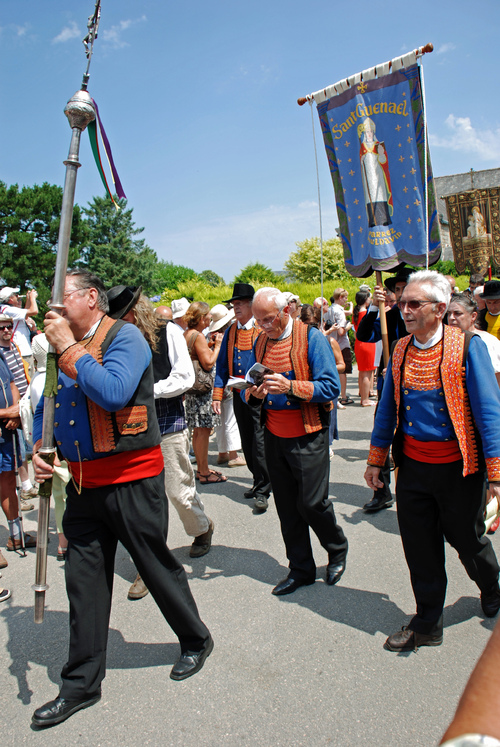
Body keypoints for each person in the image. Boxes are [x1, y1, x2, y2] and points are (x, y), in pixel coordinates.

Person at [31, 269, 212, 728]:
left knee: (154, 565)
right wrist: (40, 447)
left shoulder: (125, 338)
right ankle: (81, 684)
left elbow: (111, 393)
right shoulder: (63, 345)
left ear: (91, 298)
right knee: (84, 583)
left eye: (64, 297)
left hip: (131, 480)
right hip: (82, 485)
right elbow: (47, 402)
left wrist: (66, 348)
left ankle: (195, 639)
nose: (56, 307)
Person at [364, 270, 500, 653]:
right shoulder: (403, 348)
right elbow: (387, 408)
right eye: (401, 303)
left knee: (467, 540)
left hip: (459, 470)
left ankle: (491, 586)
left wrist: (496, 474)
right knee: (419, 546)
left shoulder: (468, 346)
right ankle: (428, 622)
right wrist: (377, 460)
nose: (403, 310)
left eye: (413, 304)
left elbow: (489, 413)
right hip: (413, 469)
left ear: (440, 309)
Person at [107, 287, 216, 601]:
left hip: (166, 421)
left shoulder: (167, 331)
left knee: (176, 490)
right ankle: (148, 566)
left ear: (136, 310)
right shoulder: (115, 337)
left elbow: (184, 378)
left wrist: (143, 391)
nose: (116, 322)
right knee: (141, 500)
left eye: (121, 315)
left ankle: (201, 527)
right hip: (128, 426)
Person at [246, 287, 348, 595]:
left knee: (312, 503)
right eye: (257, 320)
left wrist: (290, 386)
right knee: (288, 508)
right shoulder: (261, 340)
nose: (261, 326)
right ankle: (300, 568)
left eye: (266, 319)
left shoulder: (311, 338)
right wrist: (254, 392)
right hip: (275, 436)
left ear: (285, 312)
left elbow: (331, 387)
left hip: (308, 434)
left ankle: (337, 547)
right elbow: (250, 383)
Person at [356, 267, 411, 512]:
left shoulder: (427, 317)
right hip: (389, 386)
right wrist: (376, 309)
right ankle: (382, 492)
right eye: (396, 290)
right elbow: (365, 335)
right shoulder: (391, 316)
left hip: (417, 387)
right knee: (382, 435)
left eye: (403, 288)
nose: (399, 294)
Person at [212, 283, 271, 511]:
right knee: (247, 440)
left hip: (257, 393)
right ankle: (258, 481)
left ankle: (263, 488)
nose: (235, 308)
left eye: (239, 304)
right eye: (233, 304)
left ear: (250, 305)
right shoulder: (231, 331)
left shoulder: (261, 329)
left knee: (259, 441)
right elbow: (222, 365)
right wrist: (218, 394)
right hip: (238, 392)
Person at [184, 301, 226, 485]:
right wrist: (217, 345)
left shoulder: (187, 334)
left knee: (198, 431)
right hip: (203, 390)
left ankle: (202, 469)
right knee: (203, 430)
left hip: (192, 390)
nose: (210, 318)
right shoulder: (198, 335)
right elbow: (208, 363)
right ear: (201, 318)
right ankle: (203, 471)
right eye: (208, 316)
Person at [0, 314, 39, 507]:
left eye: (8, 327)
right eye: (2, 328)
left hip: (22, 404)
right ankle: (22, 490)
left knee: (21, 450)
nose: (6, 331)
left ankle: (24, 486)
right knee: (15, 454)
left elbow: (16, 380)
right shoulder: (1, 352)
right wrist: (11, 412)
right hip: (10, 412)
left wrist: (18, 409)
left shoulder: (13, 347)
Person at [209, 304, 245, 468]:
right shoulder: (229, 335)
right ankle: (233, 455)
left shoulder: (211, 336)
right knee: (231, 419)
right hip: (226, 379)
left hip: (214, 380)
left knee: (221, 419)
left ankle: (222, 452)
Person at [358, 117, 393, 227]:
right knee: (370, 198)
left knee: (380, 195)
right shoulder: (362, 147)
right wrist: (362, 159)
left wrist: (382, 154)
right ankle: (372, 220)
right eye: (367, 132)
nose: (369, 134)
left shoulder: (377, 145)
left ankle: (384, 219)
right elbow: (360, 162)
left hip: (378, 177)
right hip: (367, 176)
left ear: (373, 133)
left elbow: (383, 160)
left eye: (370, 132)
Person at [325, 289, 353, 407]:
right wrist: (348, 326)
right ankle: (343, 396)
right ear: (340, 297)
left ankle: (335, 395)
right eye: (345, 297)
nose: (346, 300)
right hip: (340, 343)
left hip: (330, 342)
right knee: (342, 369)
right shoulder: (340, 312)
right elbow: (341, 331)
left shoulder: (328, 310)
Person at [0, 286, 38, 365]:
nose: (17, 297)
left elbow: (25, 314)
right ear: (10, 299)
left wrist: (28, 300)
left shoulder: (6, 309)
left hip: (22, 350)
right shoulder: (9, 310)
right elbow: (34, 311)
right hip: (23, 352)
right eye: (15, 295)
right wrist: (33, 298)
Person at [353, 290, 376, 407]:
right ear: (365, 299)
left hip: (359, 344)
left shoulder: (356, 312)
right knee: (367, 373)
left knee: (362, 372)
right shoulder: (365, 313)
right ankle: (365, 399)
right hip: (367, 343)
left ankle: (363, 395)